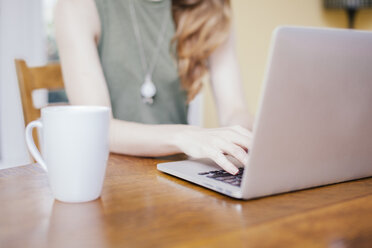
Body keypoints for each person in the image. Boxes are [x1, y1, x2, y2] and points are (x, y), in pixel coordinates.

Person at [55, 0, 254, 175]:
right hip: (107, 175)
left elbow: (234, 109)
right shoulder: (78, 6)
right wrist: (186, 136)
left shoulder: (209, 8)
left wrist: (244, 137)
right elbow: (98, 128)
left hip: (177, 173)